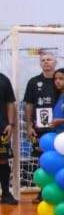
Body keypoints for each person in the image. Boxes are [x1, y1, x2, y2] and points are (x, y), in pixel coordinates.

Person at [23, 49, 58, 159]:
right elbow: (29, 105)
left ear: (55, 63)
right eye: (43, 60)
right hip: (39, 129)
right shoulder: (33, 82)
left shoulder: (62, 81)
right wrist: (29, 127)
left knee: (59, 156)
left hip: (58, 128)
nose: (46, 62)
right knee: (40, 157)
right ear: (40, 64)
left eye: (49, 59)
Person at [0, 70, 18, 204]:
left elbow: (10, 103)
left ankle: (6, 193)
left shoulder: (3, 80)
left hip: (1, 127)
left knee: (2, 160)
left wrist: (10, 124)